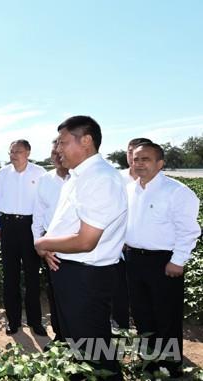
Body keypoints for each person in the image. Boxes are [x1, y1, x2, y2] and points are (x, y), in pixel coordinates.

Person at [35, 116, 126, 380]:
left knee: (93, 350)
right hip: (72, 270)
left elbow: (87, 240)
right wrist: (52, 245)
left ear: (86, 141)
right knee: (77, 343)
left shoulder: (100, 178)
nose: (58, 149)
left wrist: (43, 243)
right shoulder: (78, 176)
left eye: (63, 142)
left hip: (86, 275)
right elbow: (68, 224)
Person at [125, 142, 200, 378]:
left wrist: (178, 261)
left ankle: (170, 367)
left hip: (164, 263)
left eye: (145, 159)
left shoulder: (177, 192)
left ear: (160, 163)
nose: (139, 164)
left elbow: (188, 231)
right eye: (136, 159)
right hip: (134, 260)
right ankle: (149, 362)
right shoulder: (130, 190)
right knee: (141, 314)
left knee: (166, 316)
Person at [0, 139, 47, 336]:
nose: (13, 155)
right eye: (11, 152)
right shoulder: (3, 173)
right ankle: (13, 321)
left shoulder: (40, 173)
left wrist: (39, 232)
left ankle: (35, 322)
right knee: (10, 277)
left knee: (32, 277)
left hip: (31, 226)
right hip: (8, 227)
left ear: (28, 152)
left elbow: (44, 203)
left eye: (18, 151)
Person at [112, 137, 152, 330]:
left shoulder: (157, 183)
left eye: (137, 153)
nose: (132, 157)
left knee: (145, 298)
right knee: (119, 293)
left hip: (144, 249)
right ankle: (121, 331)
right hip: (117, 248)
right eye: (129, 152)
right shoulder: (115, 177)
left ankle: (150, 338)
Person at [32, 138, 70, 341]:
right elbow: (38, 215)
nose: (56, 157)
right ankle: (60, 337)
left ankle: (78, 342)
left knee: (77, 296)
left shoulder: (81, 180)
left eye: (60, 152)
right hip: (50, 247)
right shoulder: (45, 180)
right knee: (54, 293)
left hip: (78, 246)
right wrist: (41, 244)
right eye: (53, 153)